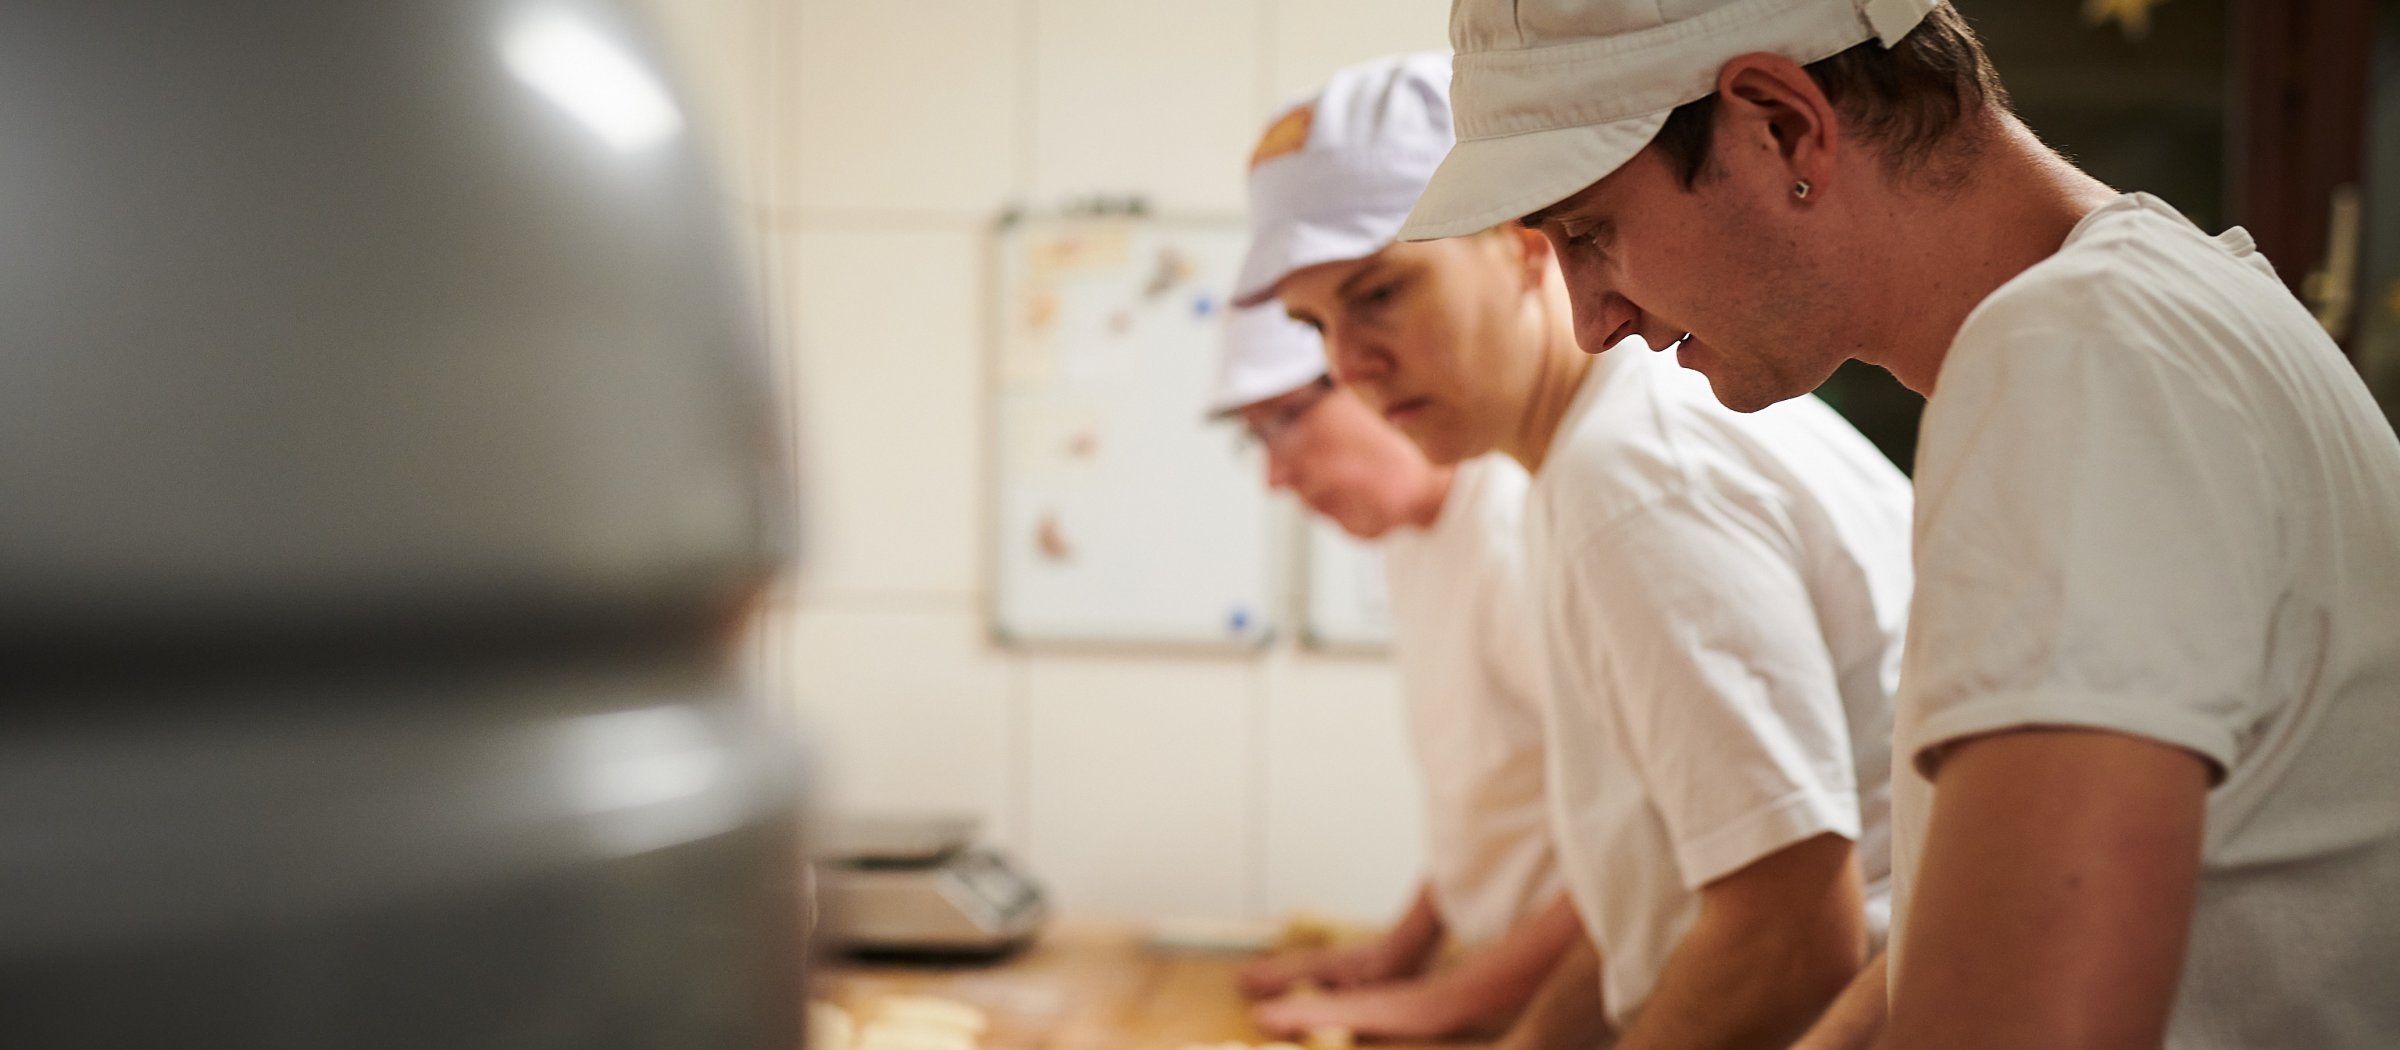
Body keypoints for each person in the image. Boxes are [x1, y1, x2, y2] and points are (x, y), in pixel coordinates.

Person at [1400, 2, 2400, 1048]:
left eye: (1592, 233)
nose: (1592, 320)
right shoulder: (2161, 307)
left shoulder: (2079, 358)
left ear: (1781, 126)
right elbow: (1961, 943)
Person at [1237, 53, 1914, 1050]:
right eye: (1317, 323)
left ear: (1522, 243)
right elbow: (1652, 903)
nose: (1348, 363)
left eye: (1379, 294)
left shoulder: (1631, 478)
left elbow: (1788, 935)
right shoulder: (1582, 465)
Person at [1211, 304, 1584, 1042]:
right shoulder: (1415, 539)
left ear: (1375, 384)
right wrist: (1398, 955)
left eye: (1287, 419)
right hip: (1503, 978)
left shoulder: (1514, 535)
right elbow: (1497, 801)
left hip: (1583, 1004)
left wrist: (1438, 1005)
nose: (1276, 475)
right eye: (1254, 436)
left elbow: (1647, 849)